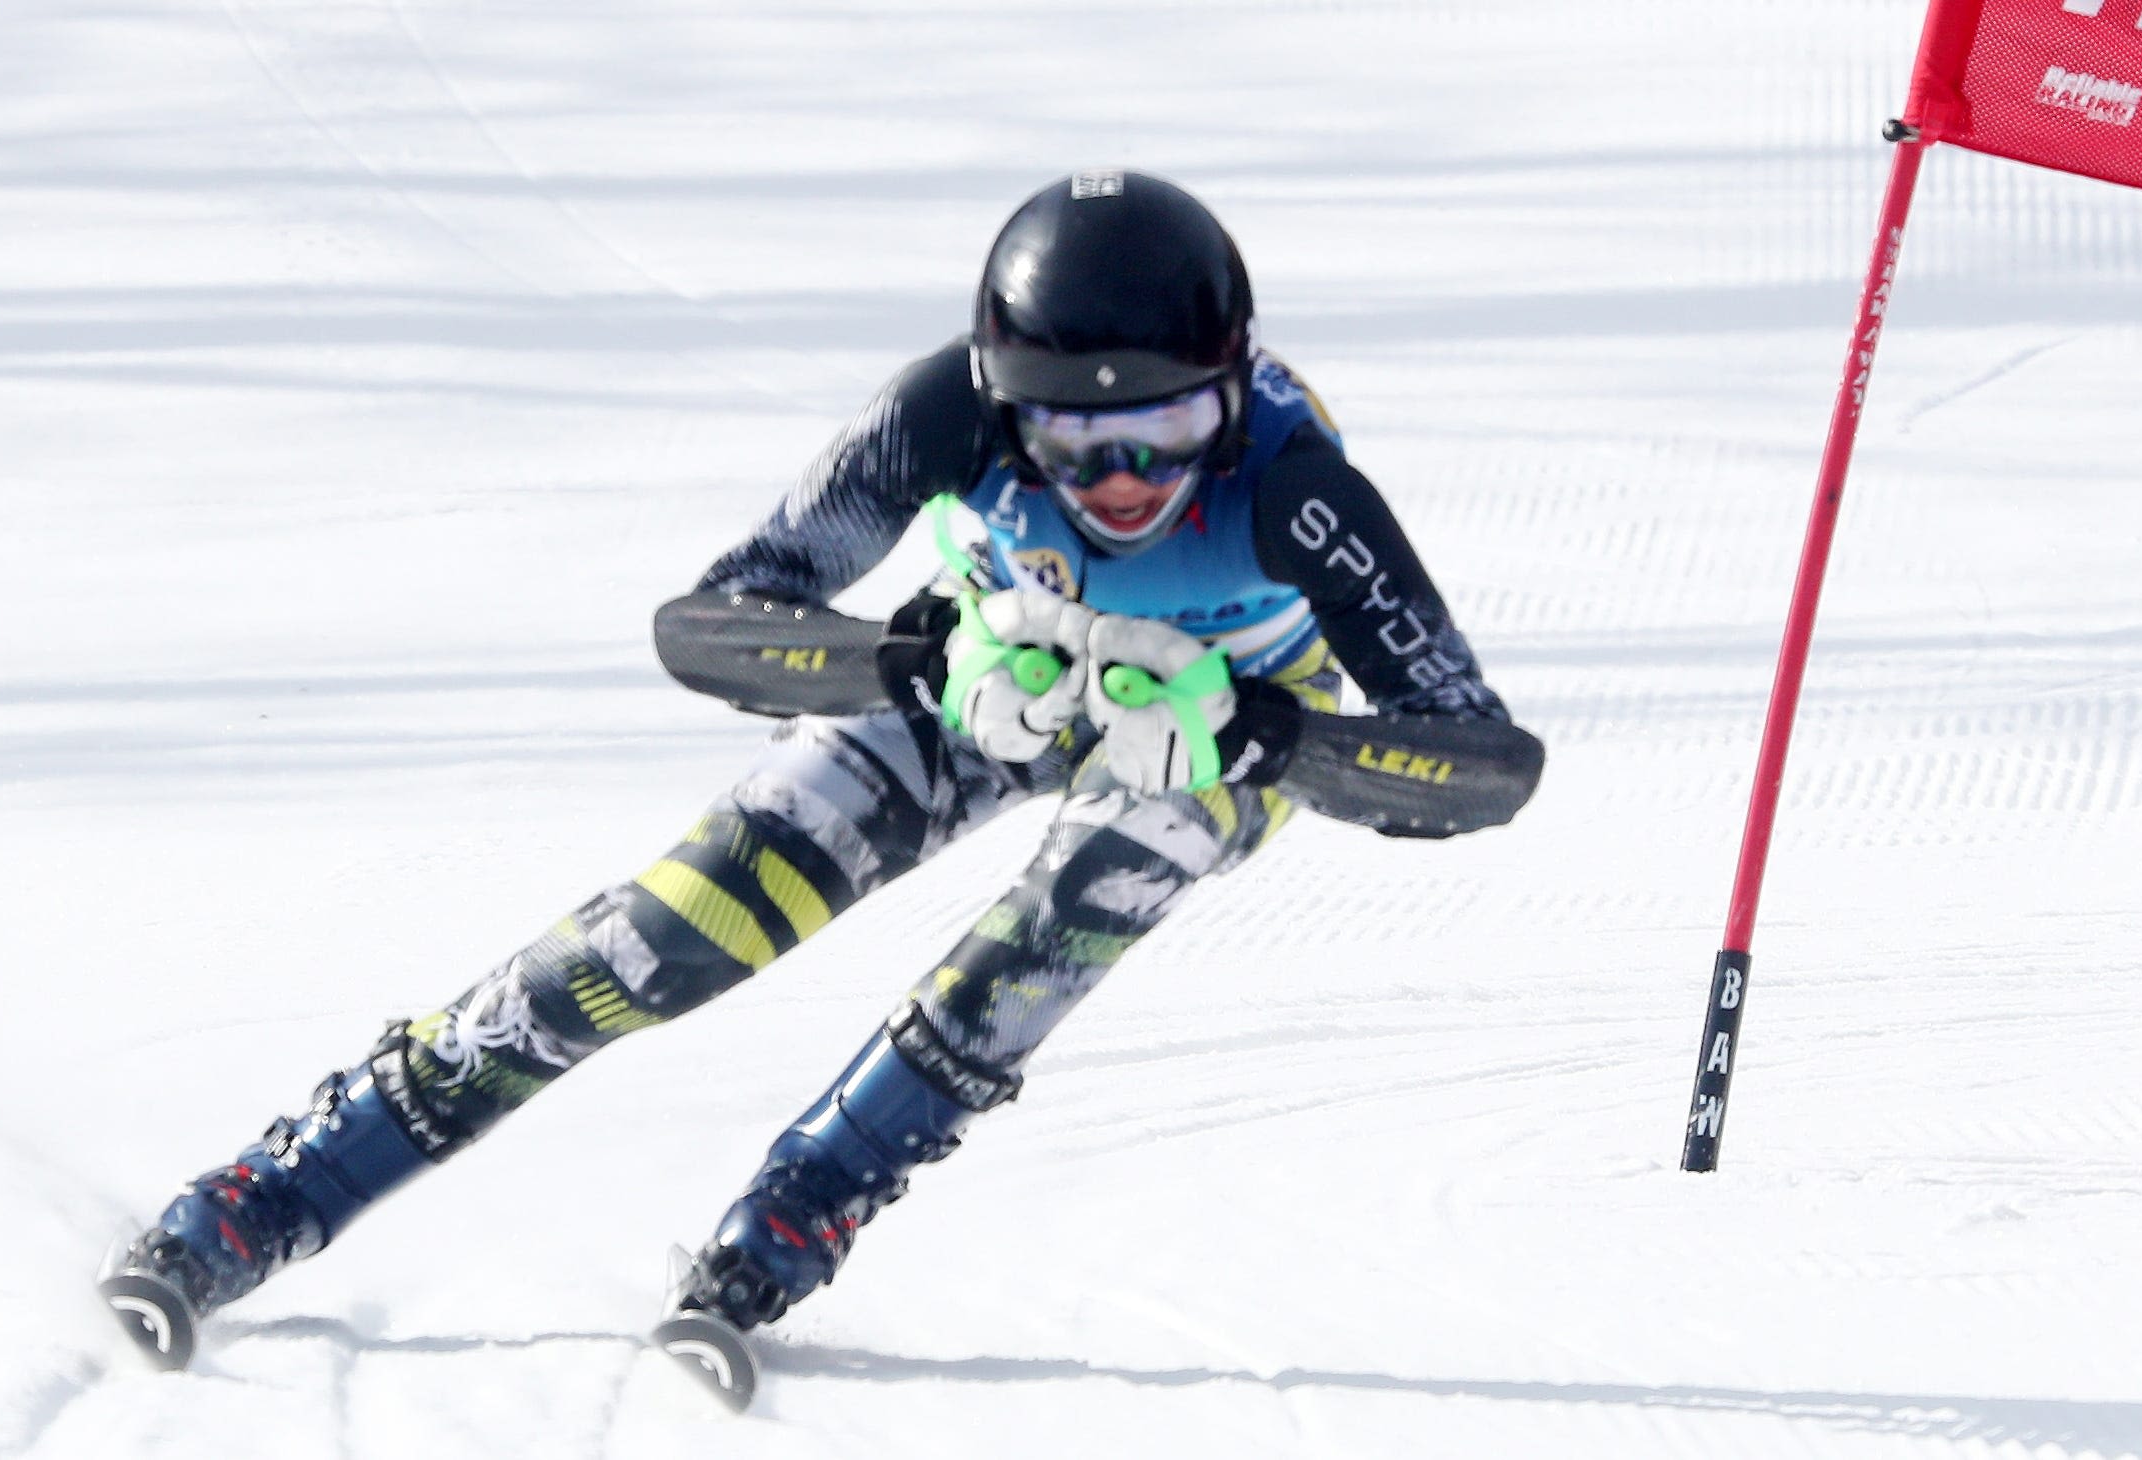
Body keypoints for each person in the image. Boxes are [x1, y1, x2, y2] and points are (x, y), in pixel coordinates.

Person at [98, 170, 1544, 1405]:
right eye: (1065, 443)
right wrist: (907, 657)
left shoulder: (1295, 487)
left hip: (1206, 731)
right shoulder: (937, 416)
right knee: (673, 931)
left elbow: (1477, 763)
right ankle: (283, 1186)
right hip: (997, 683)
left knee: (1055, 928)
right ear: (999, 406)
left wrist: (1273, 741)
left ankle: (802, 1210)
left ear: (1232, 394)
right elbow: (716, 625)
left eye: (1163, 438)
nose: (1117, 484)